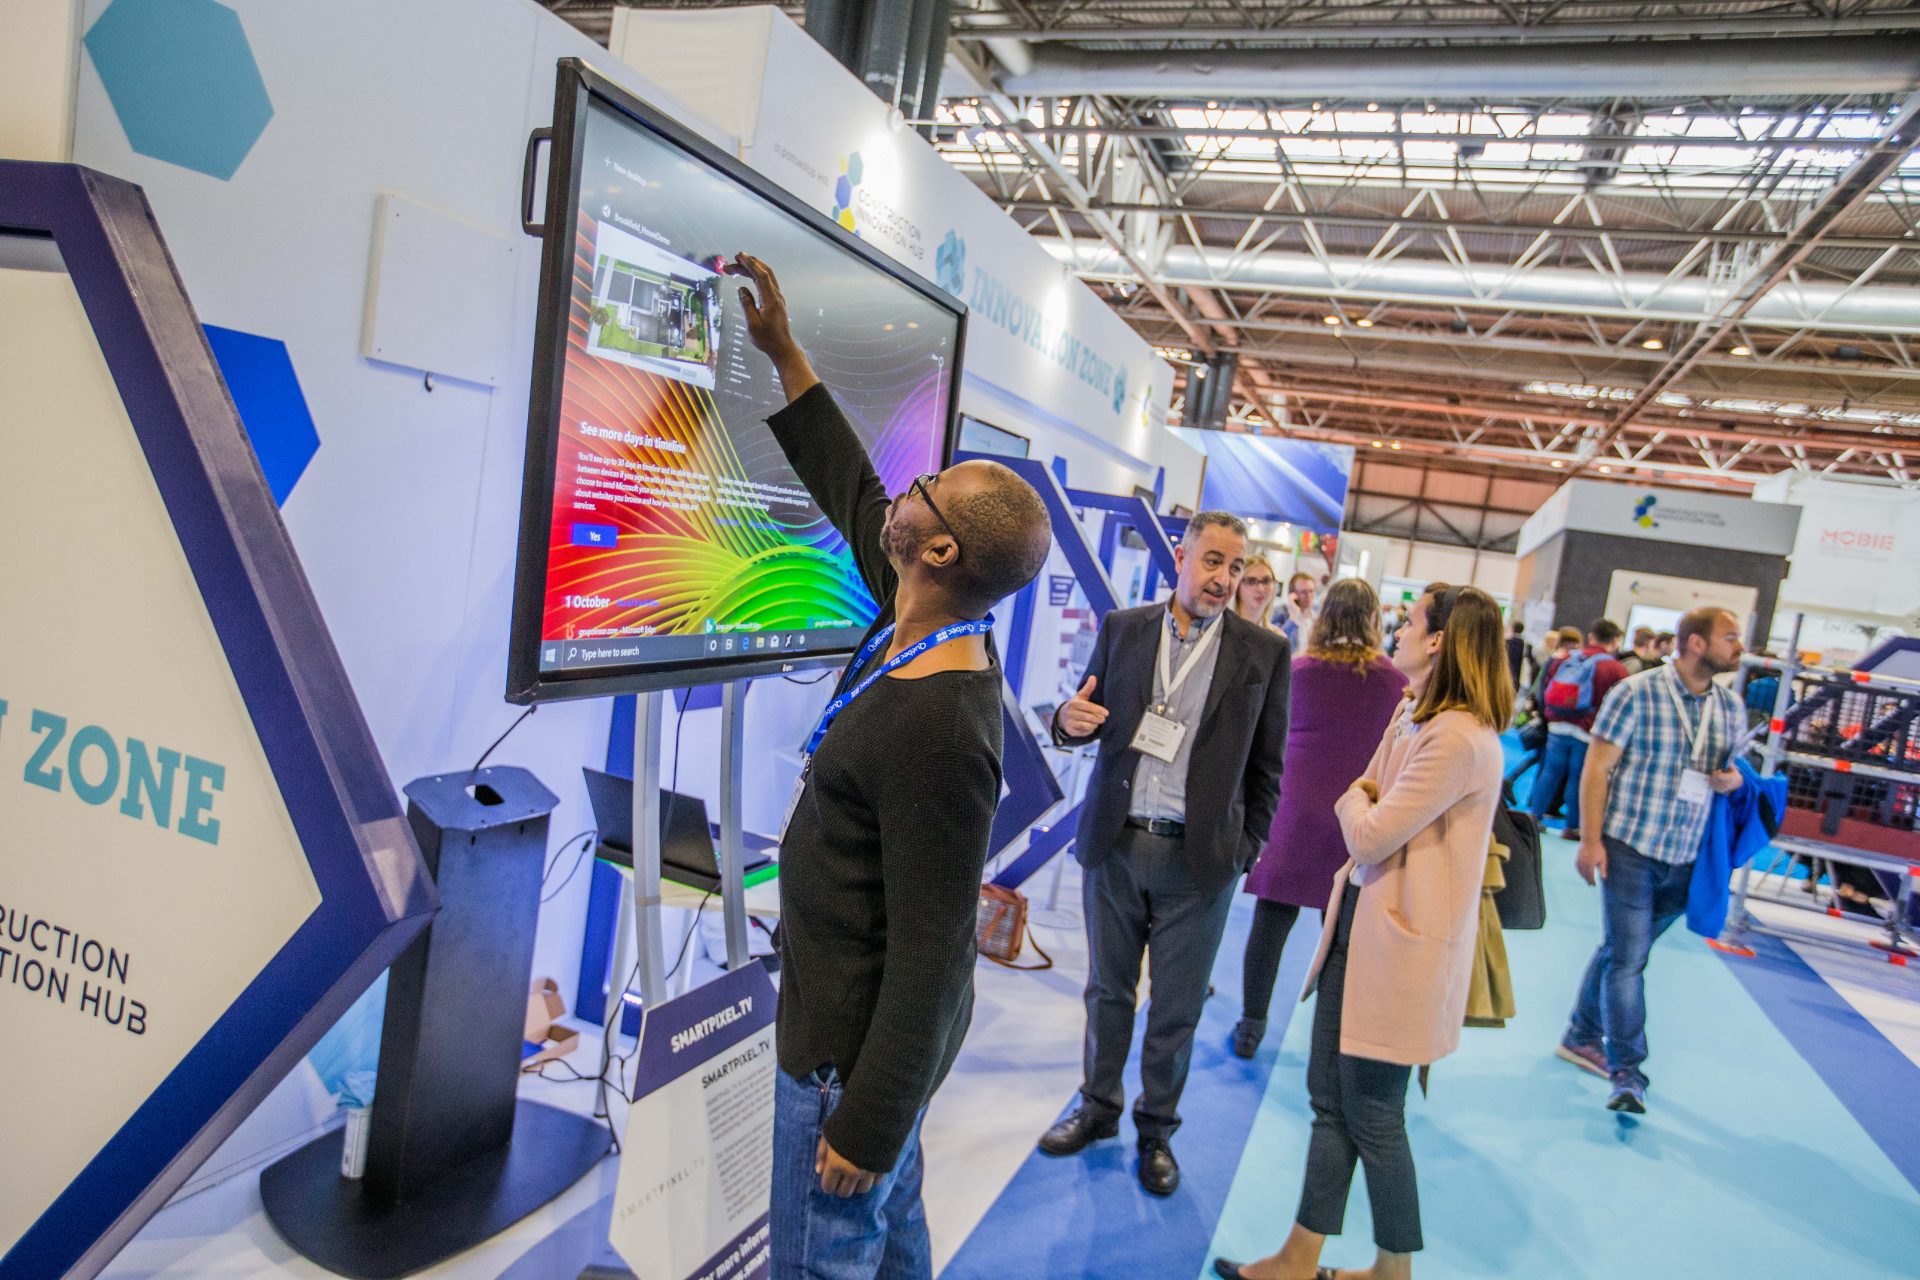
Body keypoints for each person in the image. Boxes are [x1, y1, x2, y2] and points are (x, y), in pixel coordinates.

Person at [729, 253, 1053, 1279]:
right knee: (894, 1242)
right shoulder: (915, 615)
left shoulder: (940, 731)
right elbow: (852, 485)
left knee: (823, 1256)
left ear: (942, 551)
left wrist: (868, 1122)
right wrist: (786, 354)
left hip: (847, 1059)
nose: (905, 490)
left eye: (926, 492)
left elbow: (936, 951)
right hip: (860, 1044)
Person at [1212, 584, 1511, 1280]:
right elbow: (1367, 793)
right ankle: (1300, 1256)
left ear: (1438, 641)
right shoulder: (1411, 711)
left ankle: (1392, 1270)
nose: (1397, 632)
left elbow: (1370, 829)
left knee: (1374, 1114)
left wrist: (1355, 802)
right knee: (1329, 1101)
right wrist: (1362, 801)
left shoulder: (1458, 738)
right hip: (1358, 931)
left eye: (1410, 622)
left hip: (1401, 951)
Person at [1038, 512, 1291, 1196]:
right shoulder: (1124, 629)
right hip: (1117, 844)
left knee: (1176, 1008)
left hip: (1200, 862)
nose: (1223, 579)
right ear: (1181, 557)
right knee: (1107, 993)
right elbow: (1082, 715)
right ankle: (1098, 1109)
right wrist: (1064, 723)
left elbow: (1269, 768)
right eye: (1213, 561)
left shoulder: (1263, 653)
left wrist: (1245, 849)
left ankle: (1156, 1131)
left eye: (1235, 567)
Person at [1558, 606, 1746, 1114]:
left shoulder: (1730, 707)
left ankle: (1580, 1033)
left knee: (1622, 950)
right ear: (1697, 643)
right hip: (1630, 847)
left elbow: (1732, 771)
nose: (1740, 646)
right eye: (1730, 637)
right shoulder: (1634, 693)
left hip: (1687, 857)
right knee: (1629, 960)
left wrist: (1733, 780)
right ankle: (1627, 1072)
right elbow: (1596, 769)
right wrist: (1590, 841)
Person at [1236, 578, 1407, 1059]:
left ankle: (1251, 1026)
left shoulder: (1298, 671)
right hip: (1355, 820)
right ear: (1373, 619)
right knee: (1342, 935)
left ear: (1325, 615)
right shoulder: (1396, 682)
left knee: (1270, 923)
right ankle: (1333, 1041)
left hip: (1294, 816)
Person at [1528, 619, 1629, 841]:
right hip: (1587, 729)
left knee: (1549, 772)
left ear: (1591, 636)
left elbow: (1545, 687)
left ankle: (1534, 817)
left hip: (1557, 724)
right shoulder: (1614, 668)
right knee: (1578, 777)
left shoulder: (1567, 658)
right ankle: (1572, 827)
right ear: (1614, 641)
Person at [1235, 554, 1283, 632]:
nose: (1260, 589)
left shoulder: (1276, 635)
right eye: (1251, 581)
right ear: (1237, 586)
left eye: (1266, 581)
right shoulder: (1221, 630)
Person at [1280, 572, 1318, 646]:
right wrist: (1293, 617)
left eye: (1311, 591)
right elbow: (1278, 640)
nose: (1308, 596)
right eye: (1303, 592)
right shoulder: (1280, 613)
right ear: (1293, 594)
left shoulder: (1317, 615)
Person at [1505, 619, 1536, 689]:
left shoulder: (1507, 643)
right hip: (1519, 675)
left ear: (1513, 629)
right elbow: (1531, 661)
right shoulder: (1527, 645)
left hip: (1507, 673)